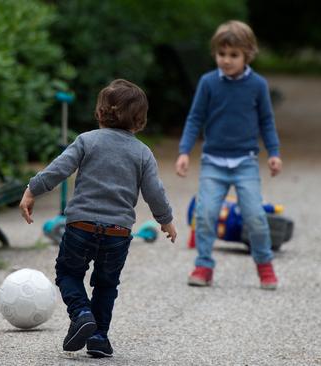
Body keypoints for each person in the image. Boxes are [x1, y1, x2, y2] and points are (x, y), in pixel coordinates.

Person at [19, 79, 176, 357]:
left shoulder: (86, 141)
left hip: (81, 226)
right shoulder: (143, 153)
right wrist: (165, 219)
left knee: (68, 272)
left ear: (100, 113)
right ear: (140, 121)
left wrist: (33, 190)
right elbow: (155, 191)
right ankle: (100, 337)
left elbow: (58, 170)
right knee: (106, 284)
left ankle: (81, 313)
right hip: (118, 232)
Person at [175, 20, 282, 290]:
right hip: (213, 162)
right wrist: (184, 152)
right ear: (215, 54)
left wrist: (274, 153)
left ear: (248, 54)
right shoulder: (208, 83)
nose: (226, 60)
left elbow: (266, 122)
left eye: (233, 55)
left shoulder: (257, 85)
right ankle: (203, 265)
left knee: (255, 216)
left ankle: (264, 264)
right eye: (222, 54)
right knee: (207, 213)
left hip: (245, 161)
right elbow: (195, 118)